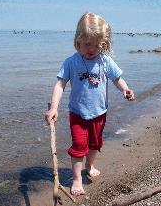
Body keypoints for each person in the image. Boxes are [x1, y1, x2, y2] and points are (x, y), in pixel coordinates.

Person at [45, 12, 134, 197]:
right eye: (87, 44)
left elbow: (117, 78)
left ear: (104, 44)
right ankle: (77, 179)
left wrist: (125, 89)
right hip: (77, 113)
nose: (91, 49)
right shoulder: (71, 62)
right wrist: (54, 107)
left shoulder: (105, 61)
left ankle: (90, 165)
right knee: (78, 145)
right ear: (78, 40)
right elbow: (60, 84)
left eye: (97, 45)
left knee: (94, 144)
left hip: (99, 113)